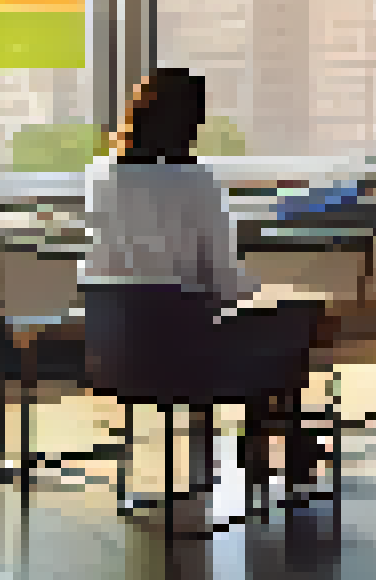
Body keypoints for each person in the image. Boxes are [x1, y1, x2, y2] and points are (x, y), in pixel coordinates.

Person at [81, 68, 329, 486]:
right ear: (189, 123)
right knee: (293, 318)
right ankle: (280, 439)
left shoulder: (101, 176)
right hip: (190, 358)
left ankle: (275, 436)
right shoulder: (198, 182)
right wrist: (264, 292)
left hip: (115, 354)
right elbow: (222, 280)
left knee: (265, 323)